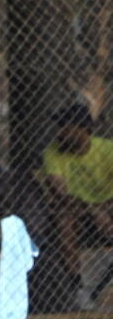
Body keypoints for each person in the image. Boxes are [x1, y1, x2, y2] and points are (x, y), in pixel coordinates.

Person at [41, 102, 113, 287]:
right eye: (59, 127)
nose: (59, 133)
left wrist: (104, 209)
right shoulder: (52, 152)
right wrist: (93, 210)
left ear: (83, 129)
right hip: (76, 211)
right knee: (64, 220)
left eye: (66, 126)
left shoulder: (108, 150)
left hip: (108, 207)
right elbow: (60, 194)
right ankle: (76, 283)